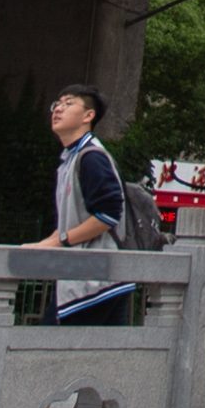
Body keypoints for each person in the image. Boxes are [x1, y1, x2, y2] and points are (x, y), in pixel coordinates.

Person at [35, 82, 138, 324]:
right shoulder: (71, 158)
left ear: (88, 116)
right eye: (57, 104)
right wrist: (46, 243)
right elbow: (73, 222)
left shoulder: (91, 157)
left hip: (96, 284)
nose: (58, 109)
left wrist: (60, 240)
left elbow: (109, 214)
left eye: (69, 104)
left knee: (47, 353)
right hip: (90, 280)